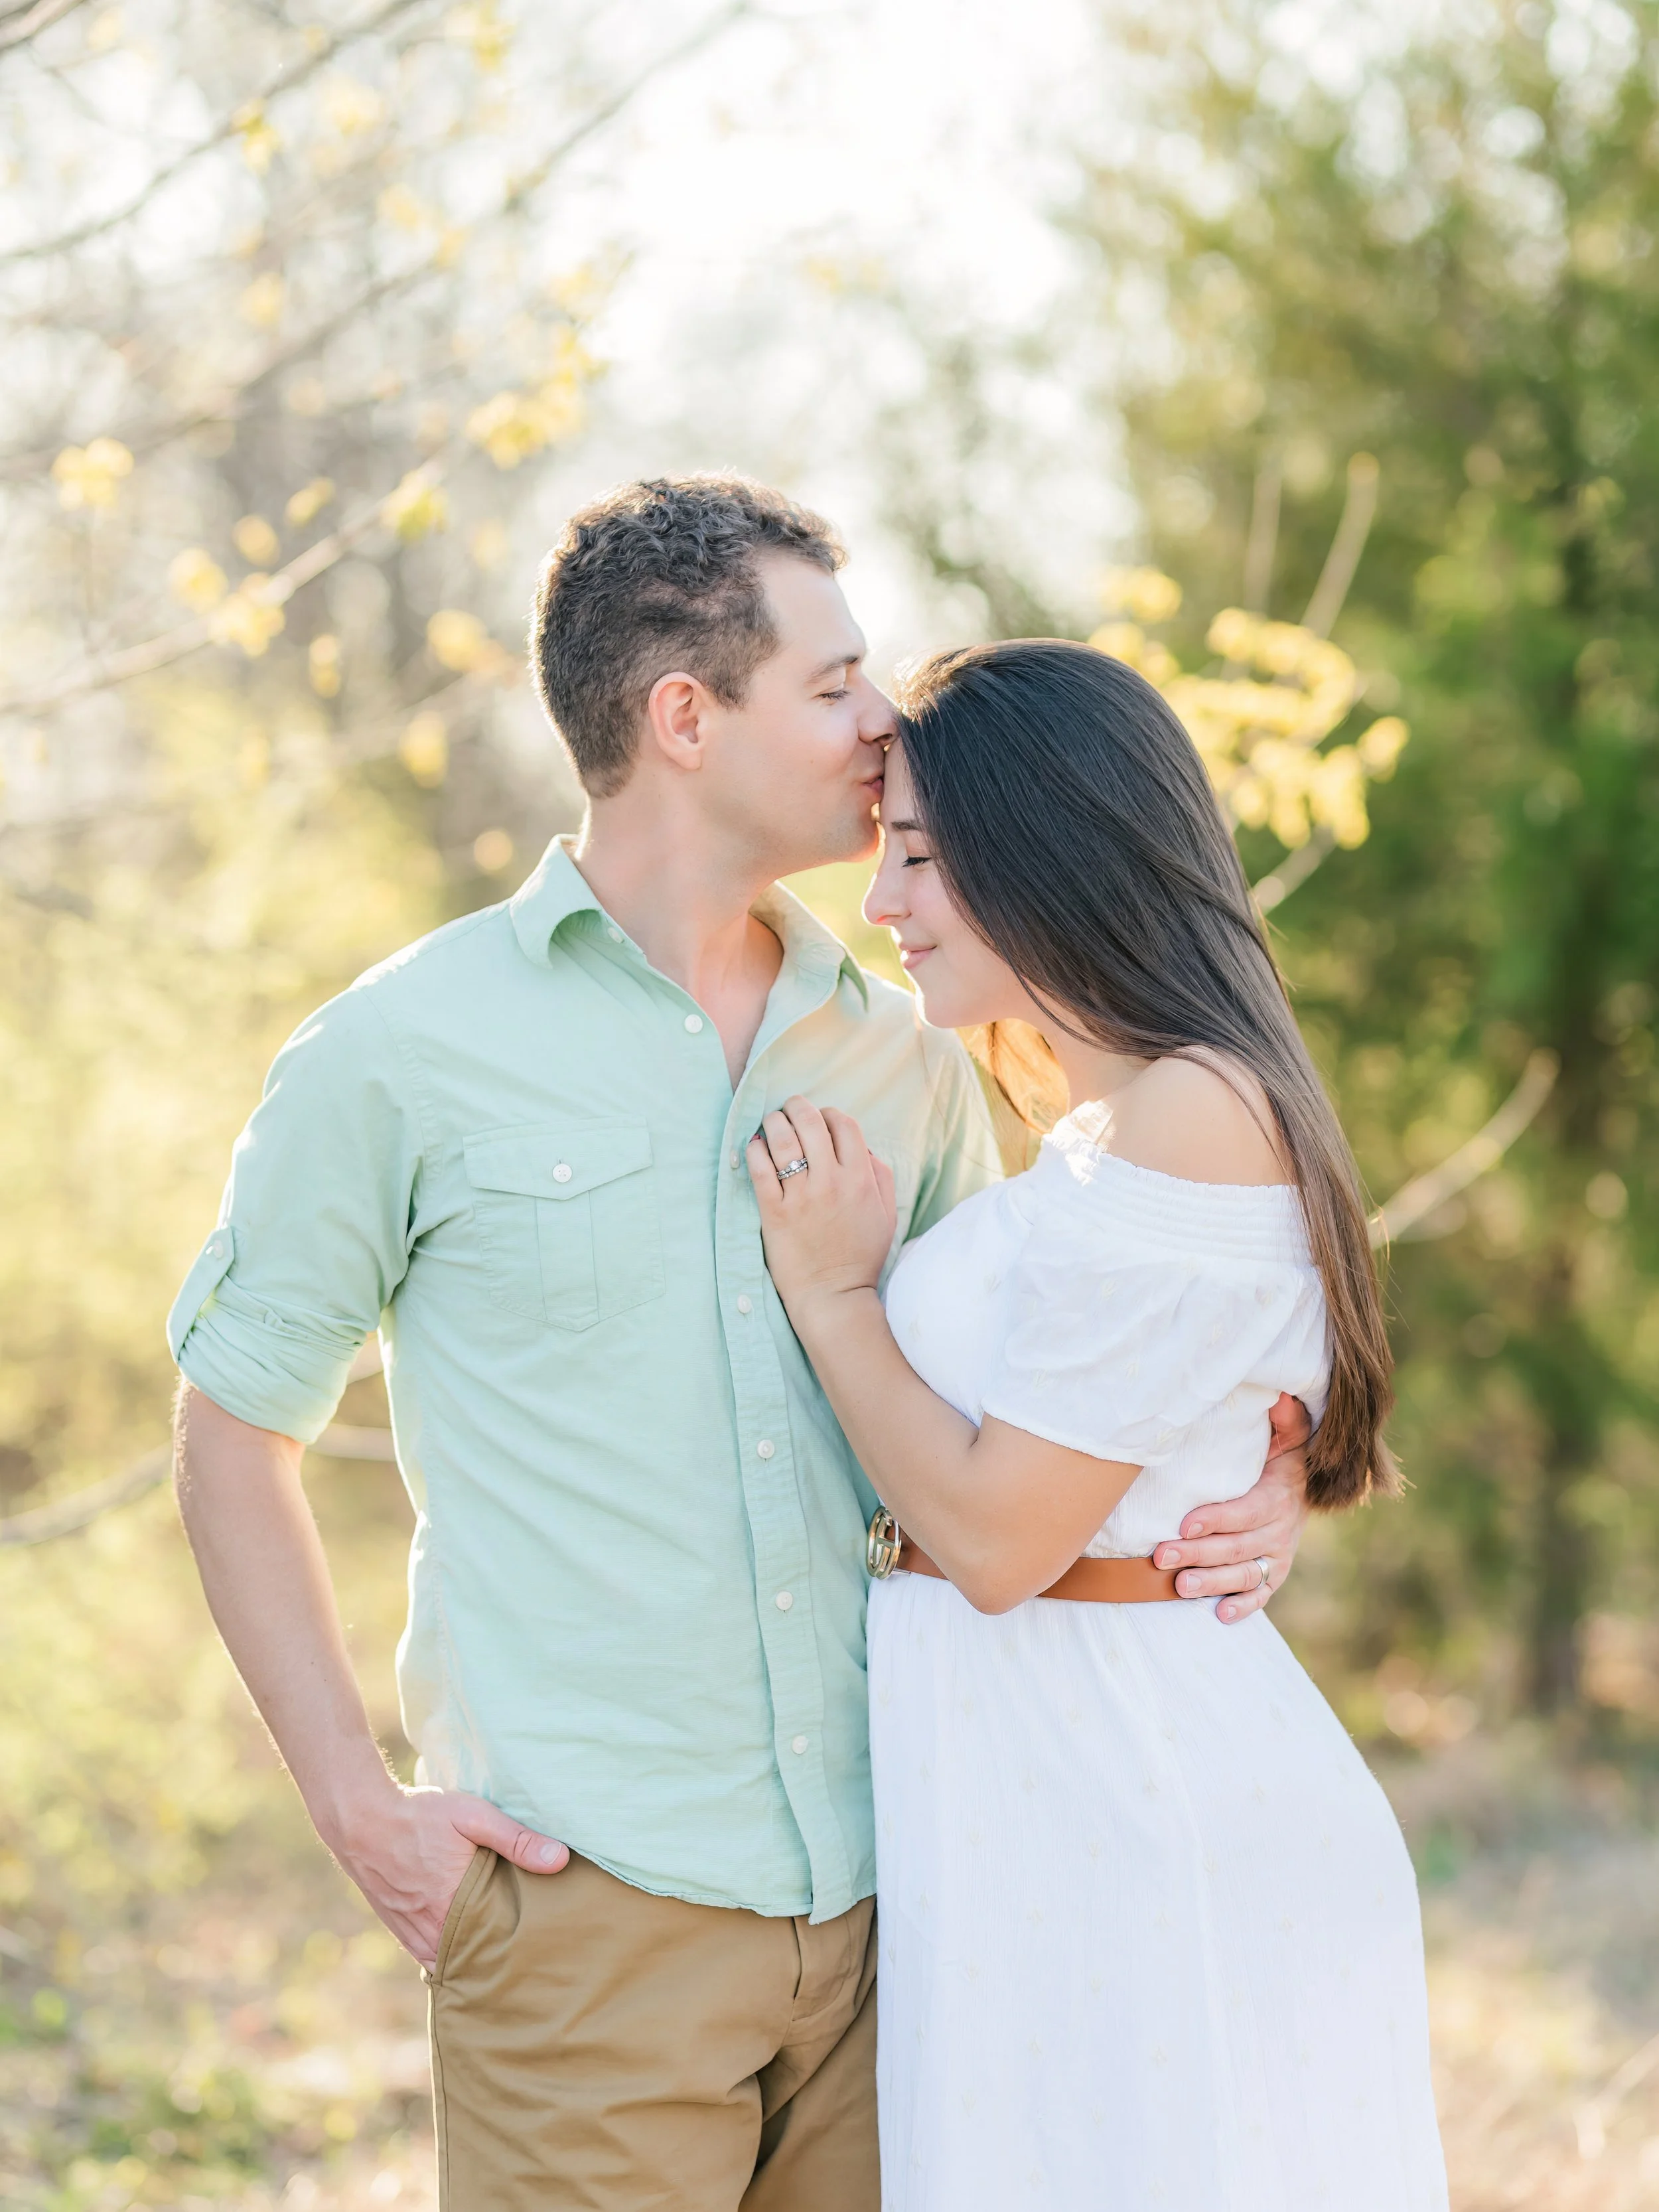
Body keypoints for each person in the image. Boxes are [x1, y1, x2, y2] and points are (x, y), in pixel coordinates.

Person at [168, 479, 1315, 2212]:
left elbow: (1071, 1368)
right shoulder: (398, 1052)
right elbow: (228, 1431)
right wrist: (359, 1806)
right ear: (683, 717)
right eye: (835, 679)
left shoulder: (913, 1049)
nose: (880, 727)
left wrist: (1266, 1472)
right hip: (586, 1921)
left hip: (905, 1908)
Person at [749, 640, 1449, 2212]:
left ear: (1044, 846)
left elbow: (998, 1538)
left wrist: (835, 1298)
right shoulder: (1103, 1123)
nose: (882, 904)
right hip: (1048, 1800)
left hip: (1132, 1815)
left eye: (919, 857)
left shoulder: (1185, 1111)